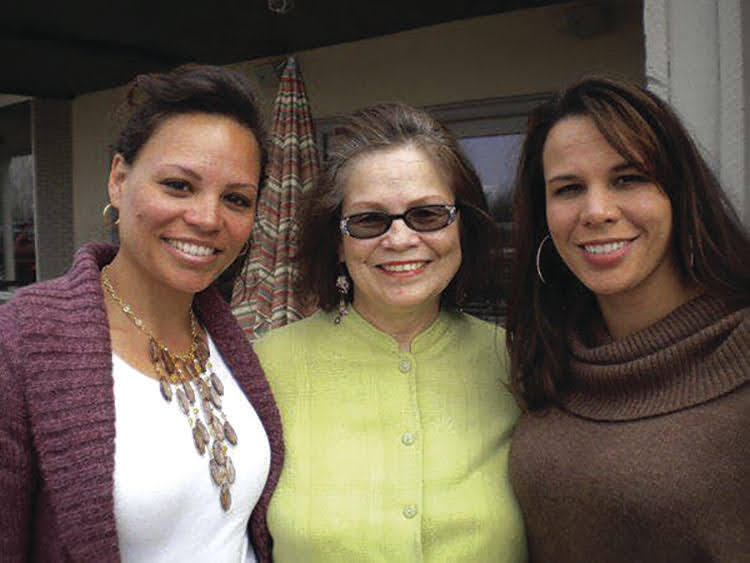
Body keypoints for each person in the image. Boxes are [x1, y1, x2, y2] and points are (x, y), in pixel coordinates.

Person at [0, 65, 284, 562]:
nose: (207, 218)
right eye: (178, 185)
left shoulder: (230, 337)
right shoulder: (22, 342)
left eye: (236, 198)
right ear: (119, 179)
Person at [253, 102, 526, 561]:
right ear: (338, 243)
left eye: (428, 214)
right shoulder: (266, 368)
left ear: (464, 226)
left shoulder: (518, 363)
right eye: (368, 220)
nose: (399, 239)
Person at [506, 76, 750, 561]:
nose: (596, 211)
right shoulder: (547, 352)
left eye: (628, 178)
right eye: (569, 188)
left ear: (679, 194)